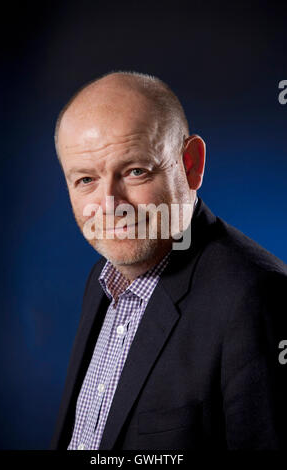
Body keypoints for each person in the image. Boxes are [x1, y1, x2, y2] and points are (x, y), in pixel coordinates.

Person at [50, 71, 287, 450]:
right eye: (85, 180)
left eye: (135, 171)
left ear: (190, 164)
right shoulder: (103, 278)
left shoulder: (256, 297)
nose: (110, 206)